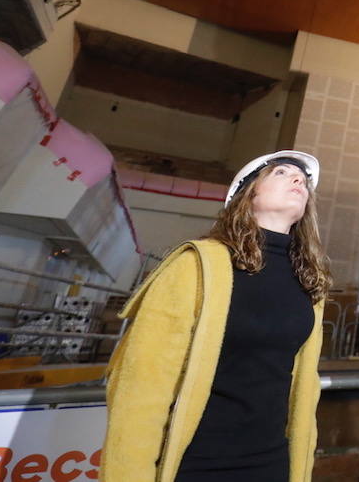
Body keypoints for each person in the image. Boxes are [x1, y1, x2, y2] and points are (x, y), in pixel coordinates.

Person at [101, 151, 330, 482]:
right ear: (247, 194)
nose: (299, 180)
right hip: (199, 463)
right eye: (281, 173)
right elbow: (141, 387)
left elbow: (303, 386)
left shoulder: (309, 282)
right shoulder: (195, 266)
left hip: (271, 463)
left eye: (303, 180)